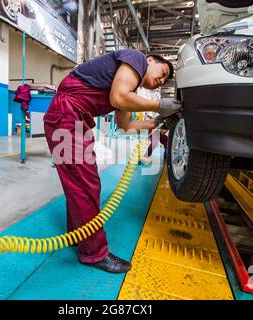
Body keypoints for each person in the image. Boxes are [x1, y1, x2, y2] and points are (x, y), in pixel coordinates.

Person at [43, 49, 182, 273]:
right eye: (163, 72)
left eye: (165, 80)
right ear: (149, 60)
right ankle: (94, 253)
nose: (161, 80)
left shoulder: (129, 87)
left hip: (72, 119)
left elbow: (126, 126)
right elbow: (118, 97)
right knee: (85, 184)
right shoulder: (135, 58)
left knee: (79, 183)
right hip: (68, 115)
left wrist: (159, 121)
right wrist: (158, 105)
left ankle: (76, 235)